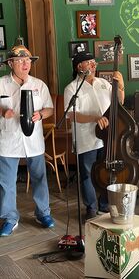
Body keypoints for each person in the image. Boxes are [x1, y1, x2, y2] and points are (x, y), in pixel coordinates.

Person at [0, 45, 55, 237]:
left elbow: (50, 108)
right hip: (8, 140)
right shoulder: (1, 84)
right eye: (20, 61)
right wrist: (2, 111)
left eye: (28, 61)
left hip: (34, 141)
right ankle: (9, 218)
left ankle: (43, 213)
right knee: (6, 182)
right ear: (10, 63)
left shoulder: (39, 85)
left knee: (40, 177)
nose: (25, 64)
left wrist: (41, 114)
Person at [64, 51, 125, 220]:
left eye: (94, 62)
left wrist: (120, 86)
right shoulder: (71, 88)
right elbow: (71, 115)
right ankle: (91, 207)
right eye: (89, 62)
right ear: (79, 67)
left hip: (106, 138)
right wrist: (95, 118)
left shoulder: (103, 83)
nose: (93, 64)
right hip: (86, 140)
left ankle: (104, 205)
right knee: (87, 175)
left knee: (108, 172)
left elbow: (120, 102)